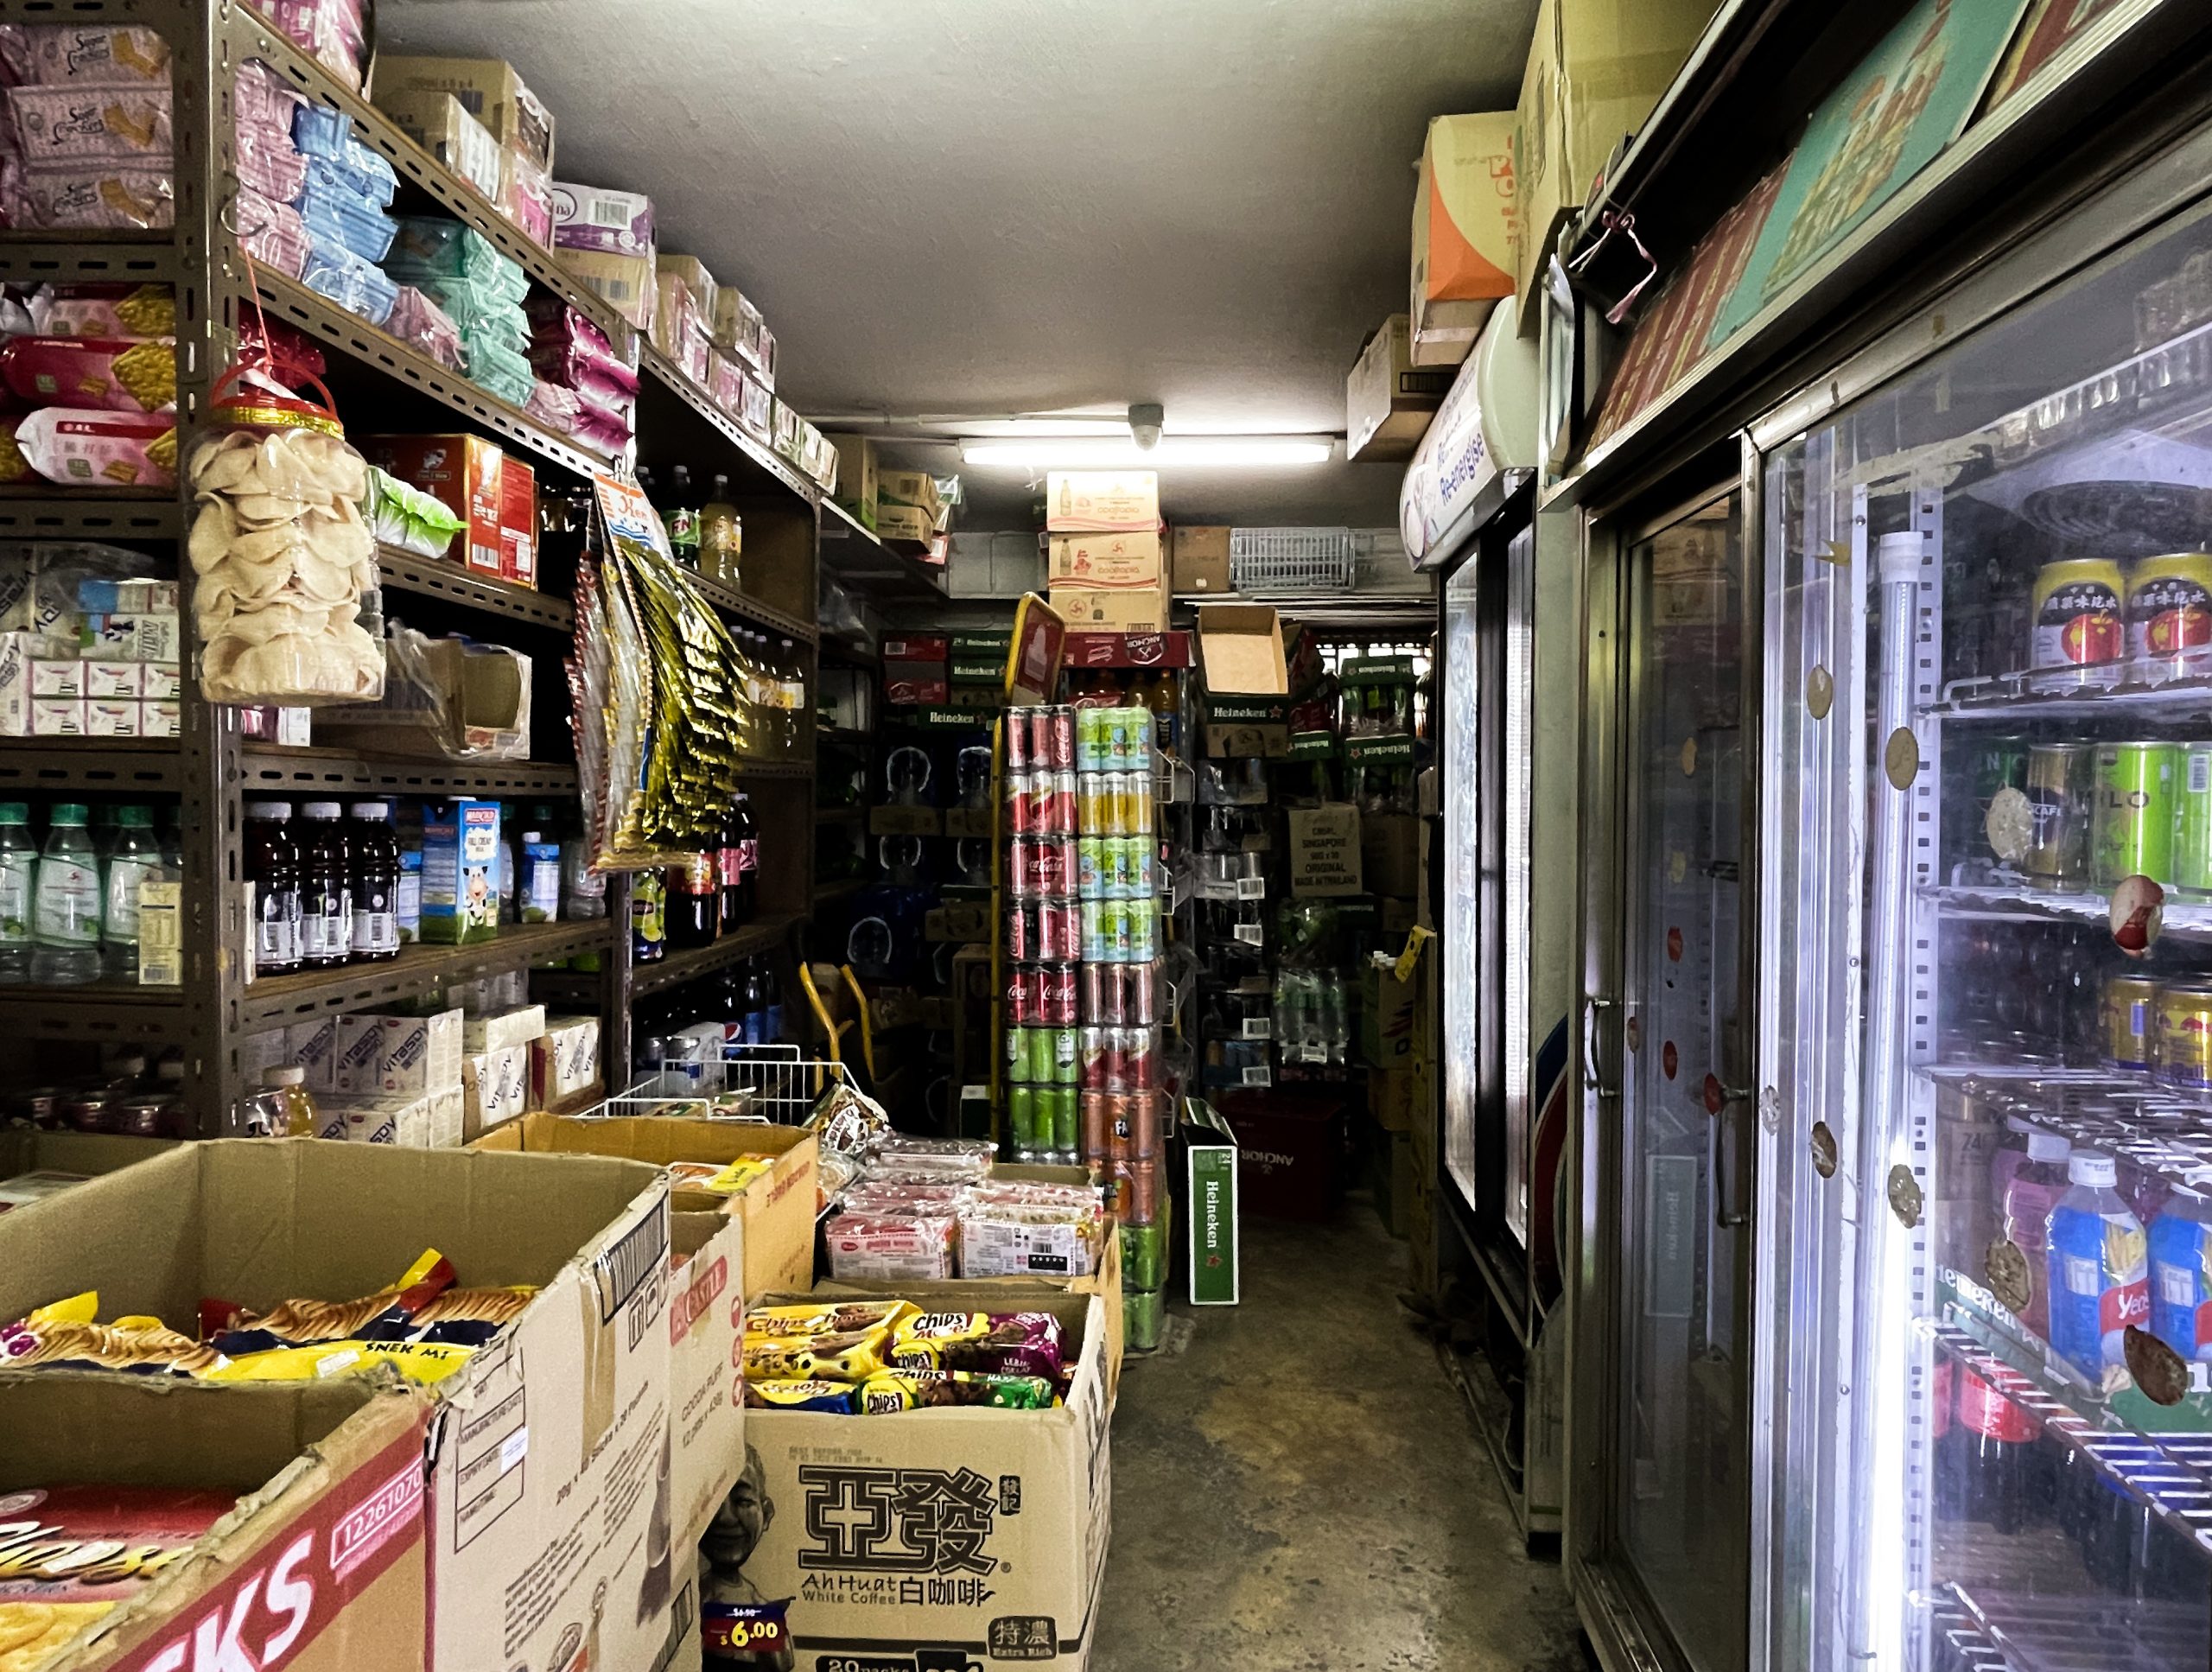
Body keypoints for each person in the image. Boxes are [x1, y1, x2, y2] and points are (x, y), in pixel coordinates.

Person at [700, 1446, 795, 1669]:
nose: (726, 1518)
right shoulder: (696, 1598)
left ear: (767, 1513)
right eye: (710, 1502)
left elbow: (782, 1662)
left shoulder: (759, 1604)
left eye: (742, 1501)